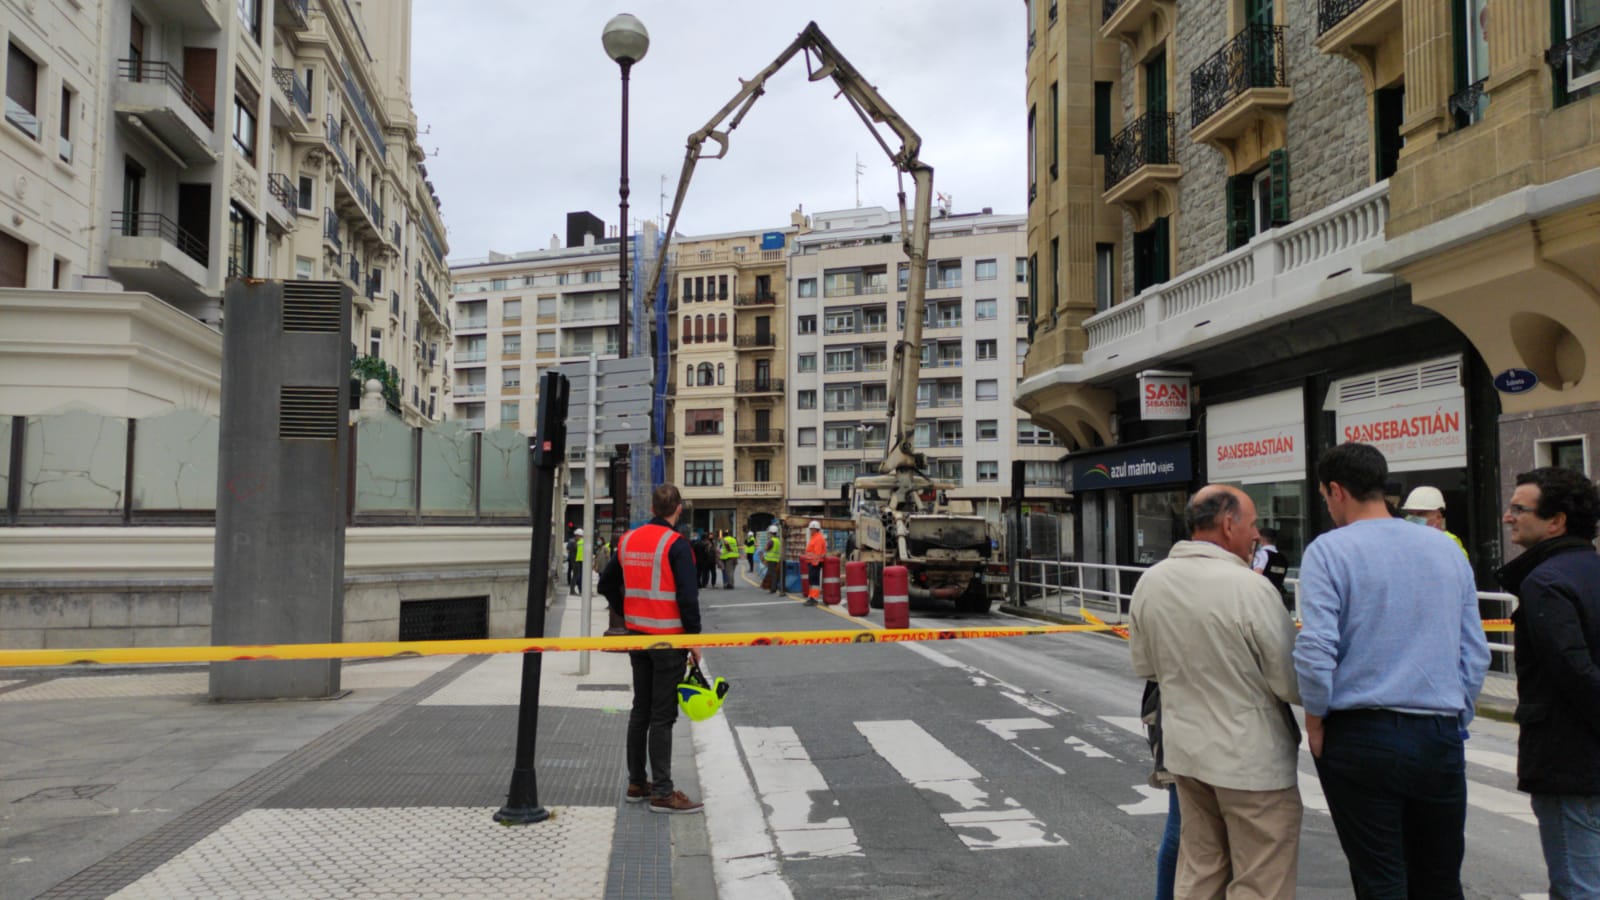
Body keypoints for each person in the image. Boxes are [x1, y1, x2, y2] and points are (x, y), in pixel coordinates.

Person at [1295, 442, 1489, 897]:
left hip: (1361, 734)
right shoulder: (1445, 549)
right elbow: (1475, 652)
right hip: (1437, 734)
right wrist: (1455, 716)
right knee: (1440, 878)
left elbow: (1317, 646)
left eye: (1325, 496)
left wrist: (1315, 717)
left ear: (1336, 490)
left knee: (1381, 877)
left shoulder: (1329, 550)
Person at [1129, 485, 1303, 898]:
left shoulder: (1151, 582)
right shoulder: (1252, 589)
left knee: (1200, 870)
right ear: (1229, 525)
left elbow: (1145, 667)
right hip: (1252, 762)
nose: (1256, 534)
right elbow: (1290, 681)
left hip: (1187, 754)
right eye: (1253, 524)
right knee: (1262, 879)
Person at [1496, 466, 1600, 897]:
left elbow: (1574, 673)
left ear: (1556, 521)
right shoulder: (1588, 570)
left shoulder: (1545, 582)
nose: (1508, 516)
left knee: (1578, 886)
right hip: (1582, 757)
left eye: (1520, 509)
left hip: (1568, 760)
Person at [597, 483, 704, 815]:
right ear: (678, 509)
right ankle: (662, 791)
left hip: (638, 636)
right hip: (668, 639)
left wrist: (625, 610)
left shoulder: (629, 540)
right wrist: (694, 640)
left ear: (652, 509)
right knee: (662, 715)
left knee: (640, 710)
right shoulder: (676, 544)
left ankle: (636, 782)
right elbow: (688, 598)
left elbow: (605, 582)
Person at [1401, 485, 1468, 558]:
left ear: (1438, 517)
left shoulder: (1449, 542)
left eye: (1421, 514)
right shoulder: (1404, 541)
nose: (1413, 518)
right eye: (1410, 513)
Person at [1251, 526, 1291, 613]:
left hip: (1262, 600)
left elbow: (1256, 576)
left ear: (1261, 539)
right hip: (1278, 598)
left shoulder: (1261, 555)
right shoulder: (1283, 558)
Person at [802, 520, 827, 606]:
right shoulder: (815, 537)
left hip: (815, 563)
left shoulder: (818, 538)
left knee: (814, 581)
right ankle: (811, 597)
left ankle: (814, 598)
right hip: (812, 563)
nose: (810, 530)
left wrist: (814, 564)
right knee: (812, 581)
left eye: (811, 529)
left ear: (816, 529)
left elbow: (818, 553)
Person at [763, 523, 783, 593]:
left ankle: (773, 588)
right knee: (771, 573)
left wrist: (765, 547)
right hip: (776, 559)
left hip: (771, 559)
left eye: (769, 533)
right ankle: (767, 585)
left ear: (771, 533)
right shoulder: (777, 540)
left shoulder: (771, 541)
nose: (769, 534)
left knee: (773, 574)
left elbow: (766, 548)